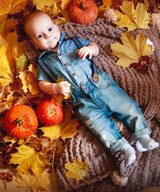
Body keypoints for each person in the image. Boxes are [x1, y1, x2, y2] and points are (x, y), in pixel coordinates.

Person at [24, 11, 159, 167]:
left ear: (56, 26)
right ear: (34, 43)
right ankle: (123, 147)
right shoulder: (43, 62)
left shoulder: (73, 42)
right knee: (97, 124)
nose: (47, 36)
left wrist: (90, 50)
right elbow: (42, 83)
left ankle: (142, 135)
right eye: (40, 36)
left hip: (100, 83)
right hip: (79, 98)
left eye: (49, 29)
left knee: (126, 105)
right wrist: (55, 87)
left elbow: (94, 47)